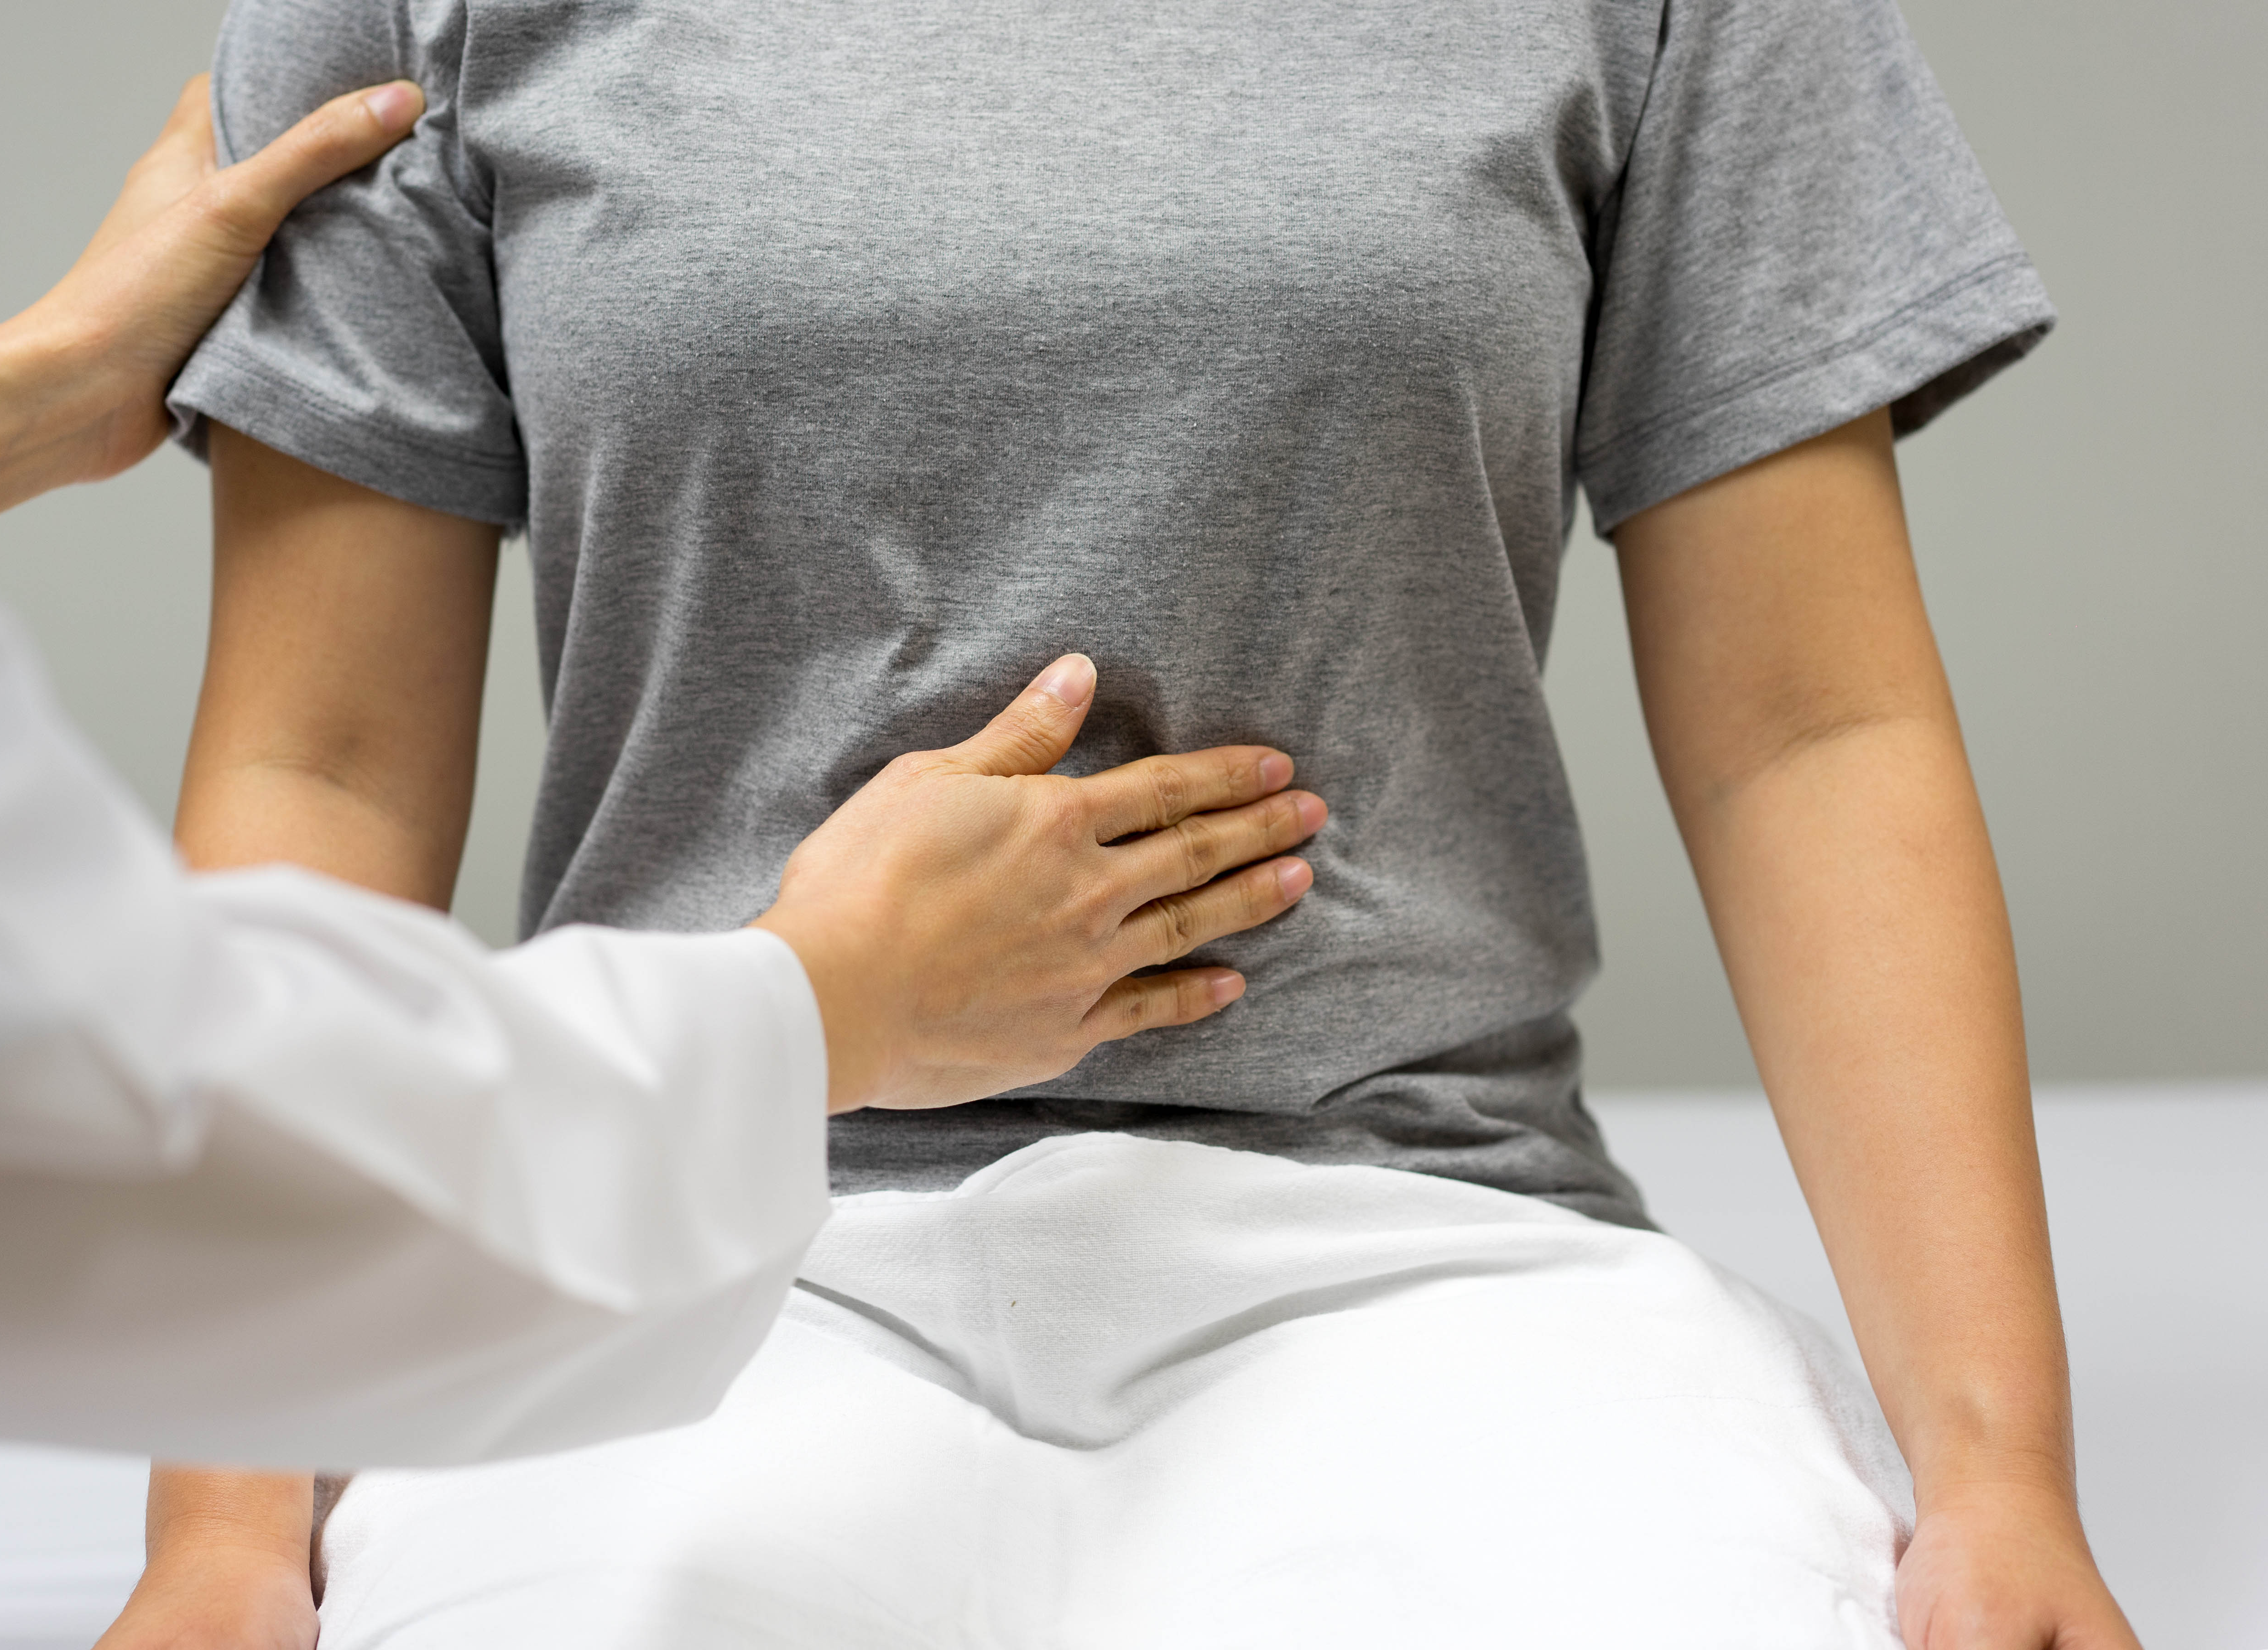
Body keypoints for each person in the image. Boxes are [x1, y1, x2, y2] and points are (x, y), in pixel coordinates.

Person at [111, 0, 2141, 1642]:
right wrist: (220, 1525)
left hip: (1427, 1251)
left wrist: (1996, 1482)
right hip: (678, 1252)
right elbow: (324, 766)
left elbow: (1813, 728)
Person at [0, 73, 1326, 1468]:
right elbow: (134, 1037)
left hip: (1385, 1233)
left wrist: (13, 407)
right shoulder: (411, 39)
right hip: (763, 1297)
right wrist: (830, 1002)